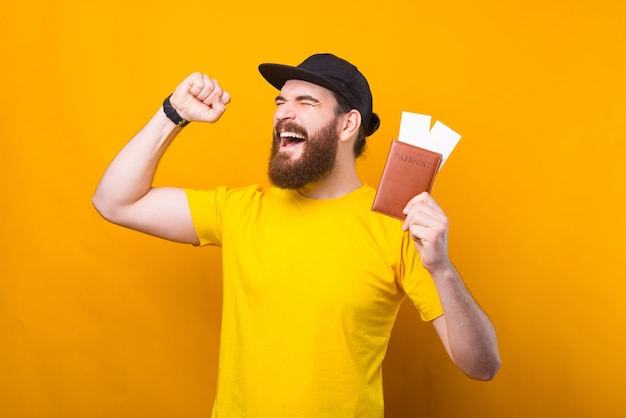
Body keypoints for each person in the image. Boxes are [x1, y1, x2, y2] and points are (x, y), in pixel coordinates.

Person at [93, 53, 500, 417]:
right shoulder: (240, 210)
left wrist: (442, 269)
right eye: (280, 101)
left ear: (348, 124)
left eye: (305, 103)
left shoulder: (397, 226)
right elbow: (115, 202)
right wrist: (172, 114)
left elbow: (481, 366)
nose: (284, 113)